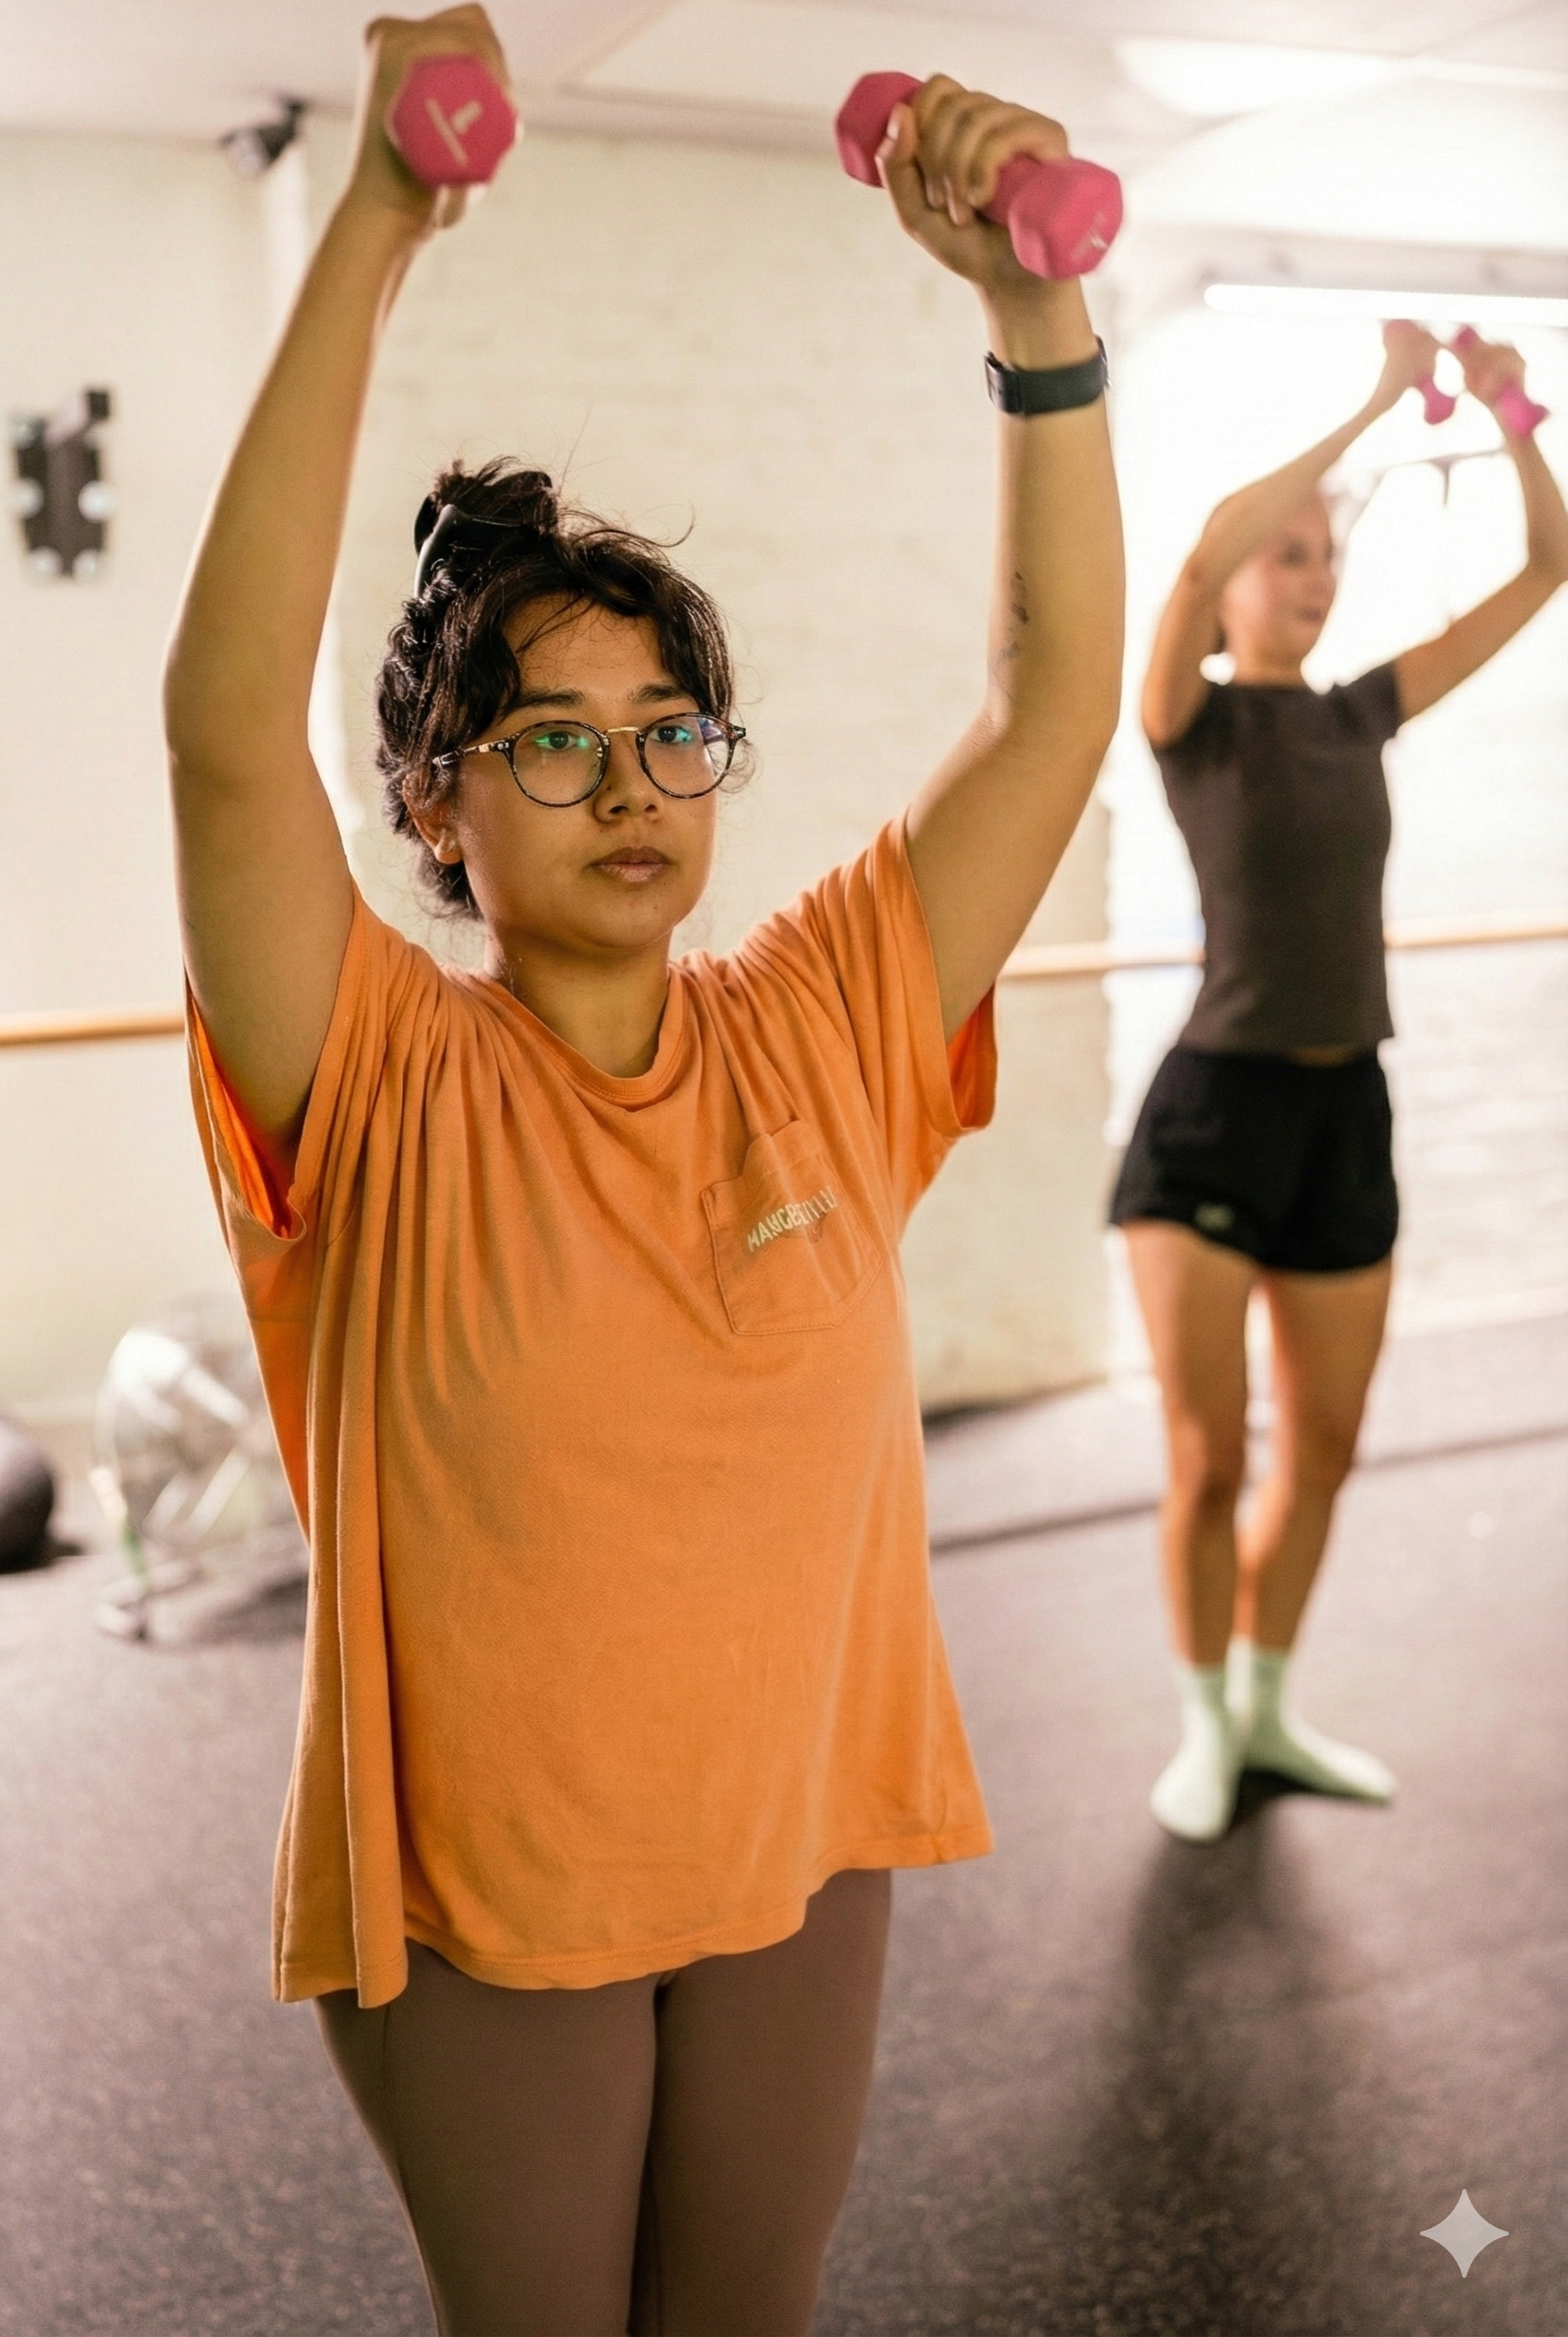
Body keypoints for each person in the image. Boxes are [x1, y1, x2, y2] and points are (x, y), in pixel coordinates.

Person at [162, 8, 1123, 2330]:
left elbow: (1051, 696)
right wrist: (379, 222)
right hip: (491, 1900)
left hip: (802, 1848)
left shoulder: (819, 1027)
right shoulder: (373, 1080)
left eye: (670, 732)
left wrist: (1035, 319)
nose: (629, 790)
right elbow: (216, 738)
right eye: (555, 743)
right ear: (436, 806)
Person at [1113, 321, 1568, 1844]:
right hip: (1211, 1117)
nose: (1308, 574)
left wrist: (1510, 416)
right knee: (1209, 1450)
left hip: (1345, 1110)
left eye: (1324, 558)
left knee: (1322, 1451)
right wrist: (1374, 402)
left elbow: (1544, 569)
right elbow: (1187, 561)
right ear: (1242, 578)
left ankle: (1266, 1707)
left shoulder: (1360, 711)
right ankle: (1196, 1725)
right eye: (1286, 554)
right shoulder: (1190, 722)